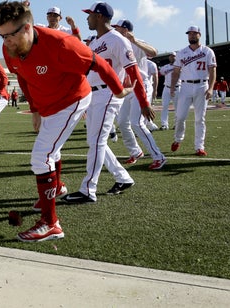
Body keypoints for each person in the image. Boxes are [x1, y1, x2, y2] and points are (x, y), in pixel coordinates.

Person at [0, 1, 134, 242]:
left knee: (40, 157)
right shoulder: (11, 49)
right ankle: (56, 188)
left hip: (72, 99)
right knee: (50, 151)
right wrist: (35, 109)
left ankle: (50, 223)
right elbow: (23, 78)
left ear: (27, 28)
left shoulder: (60, 44)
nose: (6, 42)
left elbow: (98, 63)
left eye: (10, 35)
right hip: (47, 104)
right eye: (1, 35)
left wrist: (119, 91)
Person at [62, 2, 155, 205]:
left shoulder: (118, 40)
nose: (88, 18)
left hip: (109, 95)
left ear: (100, 17)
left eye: (90, 15)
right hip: (94, 96)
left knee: (97, 142)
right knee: (95, 141)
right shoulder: (96, 42)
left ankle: (88, 190)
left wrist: (144, 102)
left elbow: (133, 73)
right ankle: (123, 178)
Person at [111, 19, 165, 170]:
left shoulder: (137, 42)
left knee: (137, 122)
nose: (115, 30)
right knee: (122, 122)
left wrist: (135, 41)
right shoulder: (116, 43)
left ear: (126, 30)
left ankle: (158, 157)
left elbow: (154, 52)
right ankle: (136, 152)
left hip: (141, 86)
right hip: (127, 88)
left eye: (118, 28)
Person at [169, 25, 217, 157]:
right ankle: (178, 139)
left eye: (194, 33)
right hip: (185, 87)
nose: (192, 36)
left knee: (200, 118)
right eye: (189, 34)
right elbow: (176, 72)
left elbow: (213, 70)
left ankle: (199, 146)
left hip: (202, 86)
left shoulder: (207, 51)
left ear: (199, 35)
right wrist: (173, 86)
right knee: (180, 117)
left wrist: (211, 87)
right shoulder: (181, 52)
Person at [159, 52, 180, 130]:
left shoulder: (180, 66)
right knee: (164, 106)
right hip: (167, 88)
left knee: (177, 107)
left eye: (174, 56)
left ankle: (177, 124)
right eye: (171, 56)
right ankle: (164, 124)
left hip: (177, 88)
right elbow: (161, 72)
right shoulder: (165, 67)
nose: (172, 57)